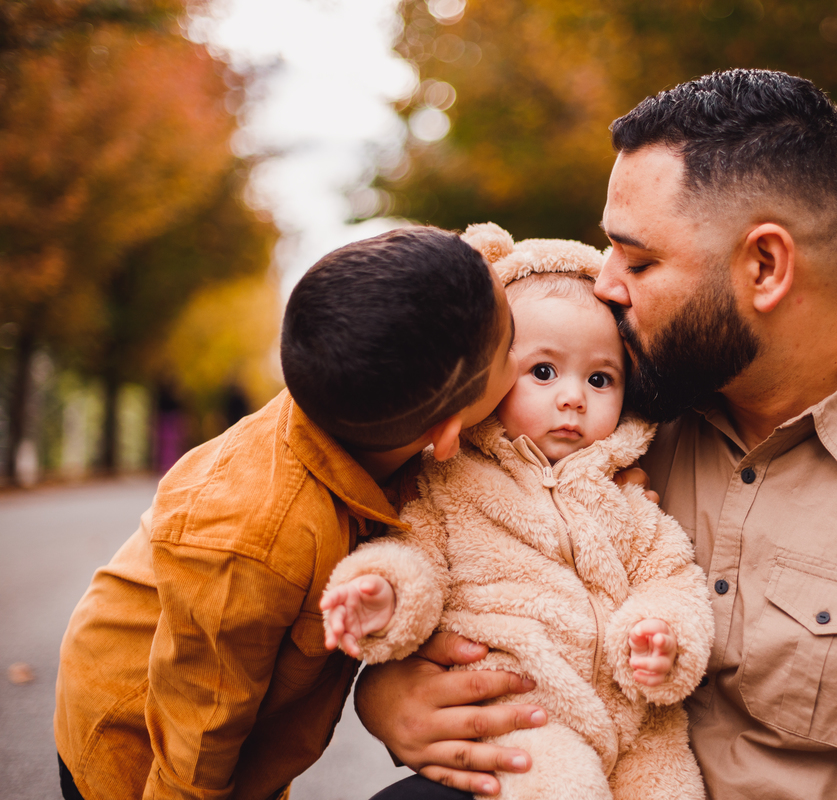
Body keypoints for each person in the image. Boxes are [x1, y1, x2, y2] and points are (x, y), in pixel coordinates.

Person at [355, 69, 837, 799]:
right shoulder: (608, 412)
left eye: (640, 258)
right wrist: (389, 698)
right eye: (609, 246)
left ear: (765, 265)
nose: (605, 284)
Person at [54, 227, 521, 800]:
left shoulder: (361, 394)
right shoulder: (255, 537)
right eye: (513, 347)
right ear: (447, 433)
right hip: (140, 744)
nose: (524, 360)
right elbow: (197, 737)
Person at [320, 225, 713, 800]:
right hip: (524, 712)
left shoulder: (627, 496)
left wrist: (663, 635)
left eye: (599, 378)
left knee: (672, 788)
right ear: (490, 375)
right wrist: (382, 592)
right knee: (561, 789)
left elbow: (672, 577)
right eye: (544, 372)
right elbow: (415, 554)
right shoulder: (453, 483)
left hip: (637, 726)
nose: (573, 397)